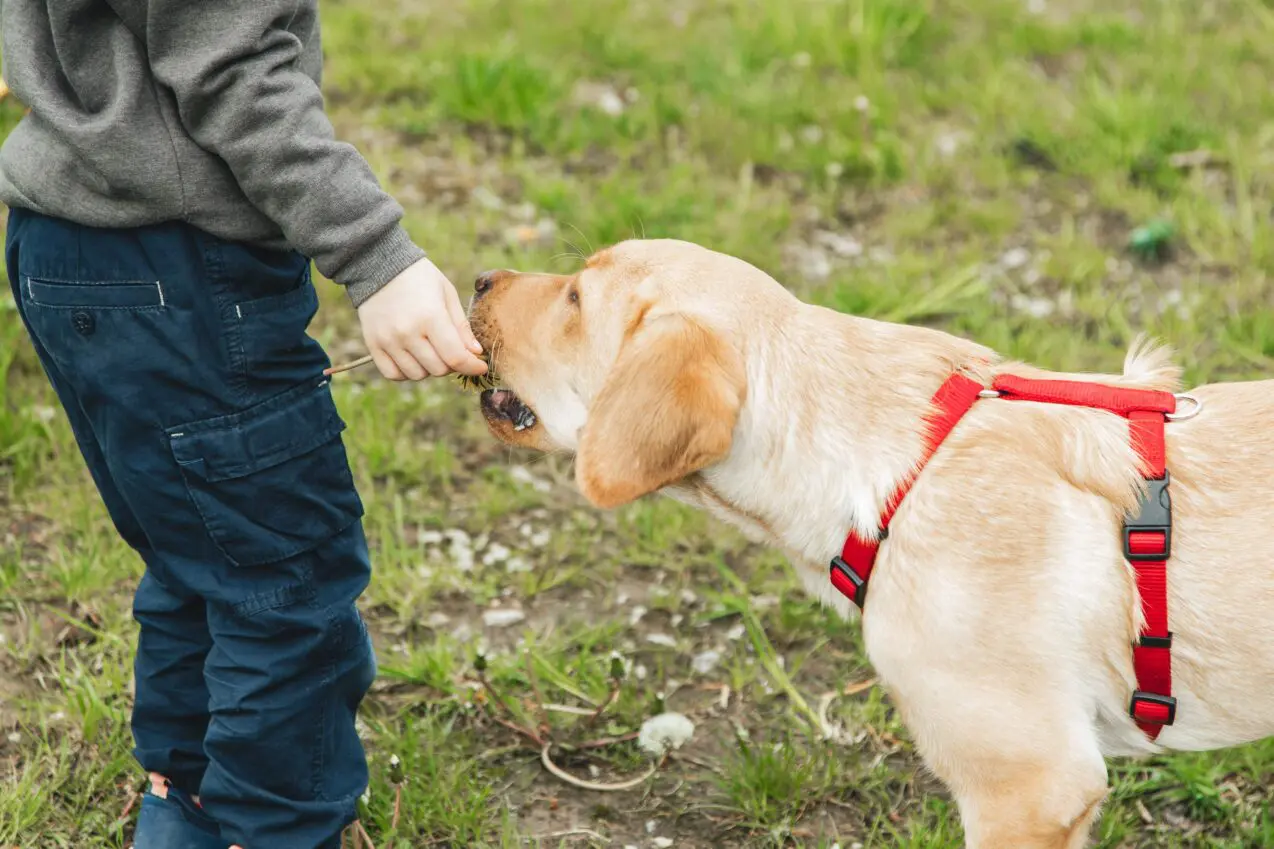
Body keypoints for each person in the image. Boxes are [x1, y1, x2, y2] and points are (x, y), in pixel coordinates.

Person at [0, 2, 488, 847]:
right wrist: (376, 256)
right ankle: (270, 830)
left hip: (66, 242)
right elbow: (233, 70)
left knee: (197, 544)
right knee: (285, 579)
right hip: (179, 268)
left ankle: (185, 797)